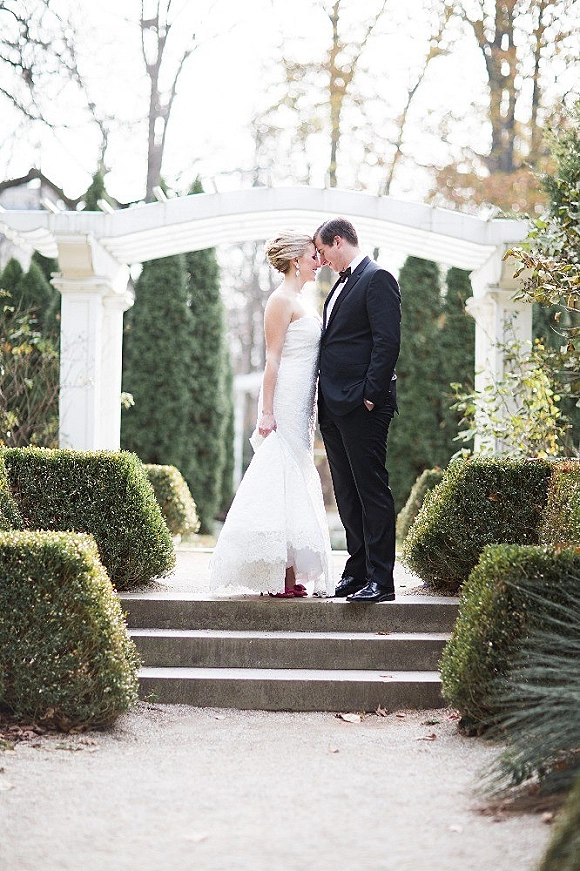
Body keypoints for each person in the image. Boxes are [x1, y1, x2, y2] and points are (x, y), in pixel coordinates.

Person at [209, 231, 334, 598]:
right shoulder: (279, 300)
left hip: (304, 402)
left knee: (295, 477)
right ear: (296, 261)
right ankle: (278, 574)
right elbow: (273, 359)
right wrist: (266, 411)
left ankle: (290, 573)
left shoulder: (303, 299)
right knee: (281, 475)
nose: (318, 262)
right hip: (285, 399)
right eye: (313, 255)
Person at [314, 217, 401, 603]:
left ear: (338, 241)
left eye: (322, 251)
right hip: (333, 405)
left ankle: (382, 580)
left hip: (363, 405)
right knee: (347, 493)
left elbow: (388, 341)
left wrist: (370, 395)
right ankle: (357, 571)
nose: (321, 260)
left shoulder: (378, 277)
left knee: (371, 490)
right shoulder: (339, 283)